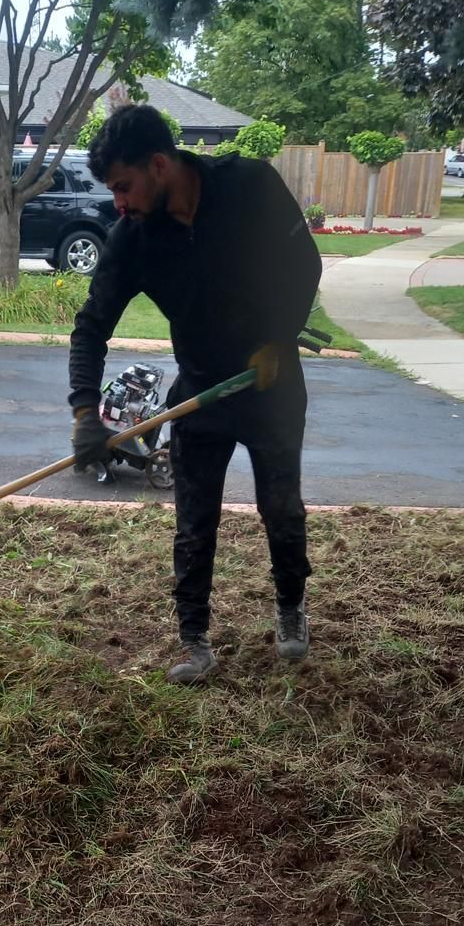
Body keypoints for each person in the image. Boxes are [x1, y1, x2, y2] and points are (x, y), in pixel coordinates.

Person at [68, 105, 322, 683]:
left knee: (280, 506)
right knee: (193, 519)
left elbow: (303, 264)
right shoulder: (132, 238)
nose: (119, 203)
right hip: (202, 389)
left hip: (272, 383)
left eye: (124, 186)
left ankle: (290, 608)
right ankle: (194, 639)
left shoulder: (250, 185)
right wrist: (86, 411)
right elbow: (92, 325)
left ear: (160, 165)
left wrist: (279, 340)